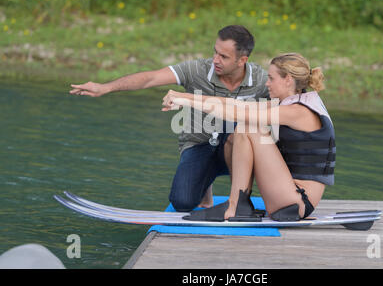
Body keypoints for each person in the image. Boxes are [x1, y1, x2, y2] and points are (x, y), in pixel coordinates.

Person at [69, 25, 270, 211]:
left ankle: (240, 199)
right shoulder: (197, 70)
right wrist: (105, 87)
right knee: (182, 202)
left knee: (242, 130)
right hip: (200, 145)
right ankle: (205, 190)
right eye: (215, 52)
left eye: (224, 56)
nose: (216, 59)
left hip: (238, 149)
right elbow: (151, 78)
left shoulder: (261, 80)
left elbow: (289, 106)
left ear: (242, 60)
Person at [161, 53, 335, 221]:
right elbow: (235, 104)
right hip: (287, 194)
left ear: (288, 79)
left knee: (248, 127)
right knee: (239, 133)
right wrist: (182, 96)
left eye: (271, 78)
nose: (267, 84)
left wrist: (185, 102)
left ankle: (236, 205)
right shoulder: (294, 103)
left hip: (296, 201)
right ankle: (239, 203)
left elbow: (236, 113)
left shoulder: (297, 111)